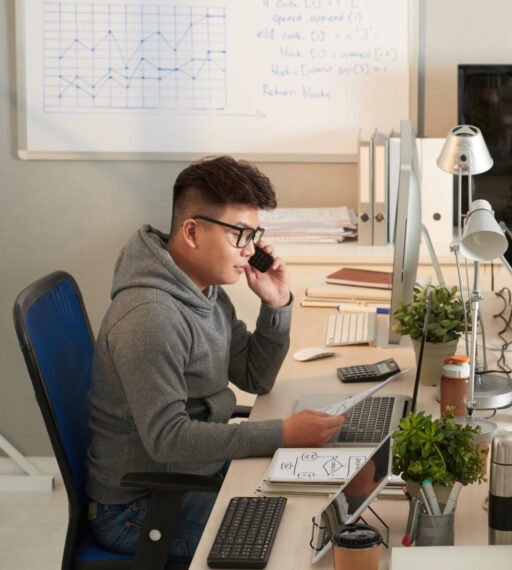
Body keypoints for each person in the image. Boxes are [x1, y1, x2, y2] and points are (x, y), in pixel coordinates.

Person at [86, 156, 347, 558]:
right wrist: (281, 433)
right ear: (192, 231)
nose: (249, 250)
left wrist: (276, 305)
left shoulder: (204, 289)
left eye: (254, 235)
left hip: (194, 471)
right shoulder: (151, 317)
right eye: (240, 235)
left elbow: (254, 377)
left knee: (314, 504)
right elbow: (168, 439)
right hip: (139, 508)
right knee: (296, 541)